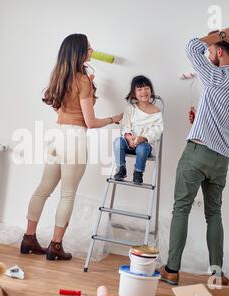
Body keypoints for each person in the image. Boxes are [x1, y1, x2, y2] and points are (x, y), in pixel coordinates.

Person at [160, 25, 229, 286]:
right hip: (221, 158)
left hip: (198, 152)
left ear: (220, 51)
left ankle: (172, 270)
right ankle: (217, 274)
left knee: (181, 209)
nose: (208, 53)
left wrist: (218, 34)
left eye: (211, 50)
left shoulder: (216, 76)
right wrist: (201, 118)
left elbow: (191, 46)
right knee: (214, 213)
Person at [20, 34, 123, 261]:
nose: (92, 50)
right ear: (79, 52)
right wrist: (115, 118)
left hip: (57, 135)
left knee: (42, 189)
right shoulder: (83, 80)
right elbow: (91, 122)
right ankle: (55, 246)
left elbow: (63, 108)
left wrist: (89, 89)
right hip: (75, 139)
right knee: (67, 195)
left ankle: (28, 238)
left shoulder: (59, 77)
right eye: (88, 47)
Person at [113, 75, 163, 184]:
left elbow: (157, 130)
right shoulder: (130, 109)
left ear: (151, 90)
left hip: (144, 145)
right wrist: (129, 137)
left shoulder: (157, 112)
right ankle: (121, 168)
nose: (143, 91)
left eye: (146, 88)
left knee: (142, 148)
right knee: (117, 142)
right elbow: (126, 125)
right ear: (134, 93)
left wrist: (144, 138)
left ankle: (138, 172)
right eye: (139, 89)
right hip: (129, 143)